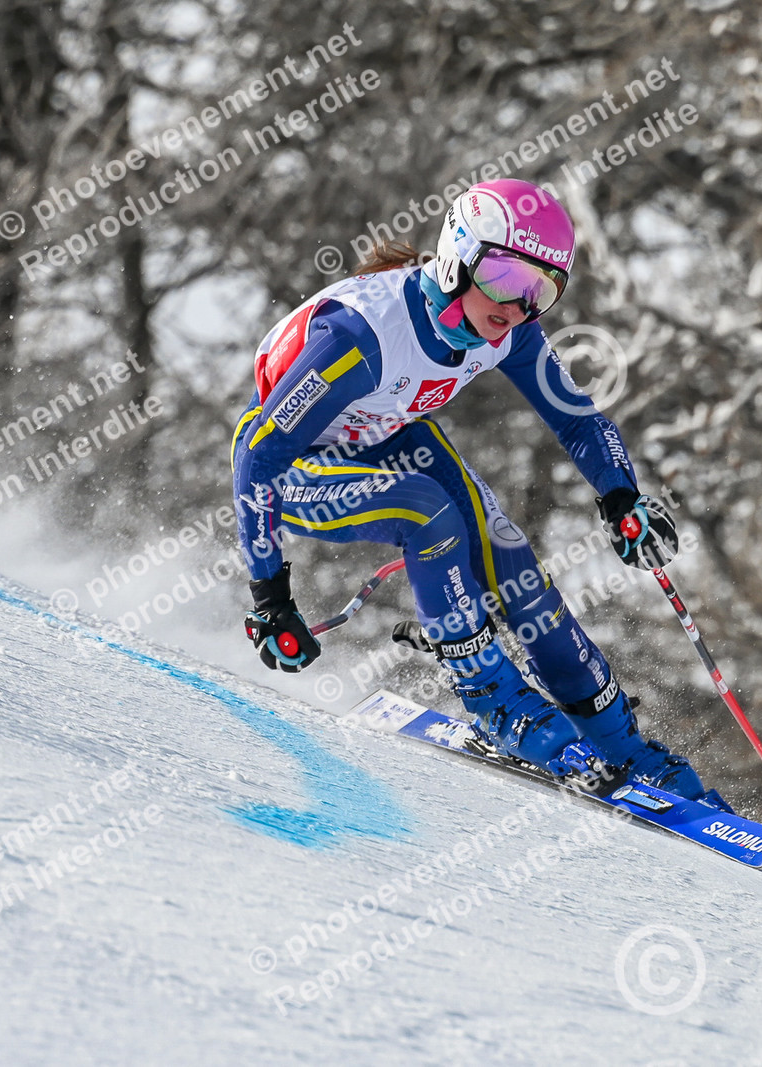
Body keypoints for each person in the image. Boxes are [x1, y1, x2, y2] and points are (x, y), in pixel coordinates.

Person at [231, 178, 721, 806]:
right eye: (505, 279)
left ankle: (621, 743)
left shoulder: (509, 331)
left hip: (382, 436)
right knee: (427, 512)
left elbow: (576, 417)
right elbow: (259, 454)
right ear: (458, 258)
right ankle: (495, 701)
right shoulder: (361, 337)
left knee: (506, 553)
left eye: (541, 291)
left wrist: (621, 496)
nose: (517, 308)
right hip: (292, 466)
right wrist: (270, 596)